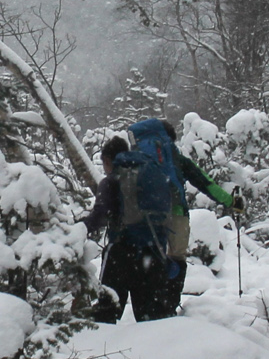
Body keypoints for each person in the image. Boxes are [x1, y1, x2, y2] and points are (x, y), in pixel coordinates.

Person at [82, 118, 236, 321]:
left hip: (131, 237)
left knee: (112, 301)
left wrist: (80, 230)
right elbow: (202, 180)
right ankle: (168, 307)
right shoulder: (168, 159)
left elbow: (104, 211)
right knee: (170, 269)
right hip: (167, 225)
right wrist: (230, 201)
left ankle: (115, 329)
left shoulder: (130, 166)